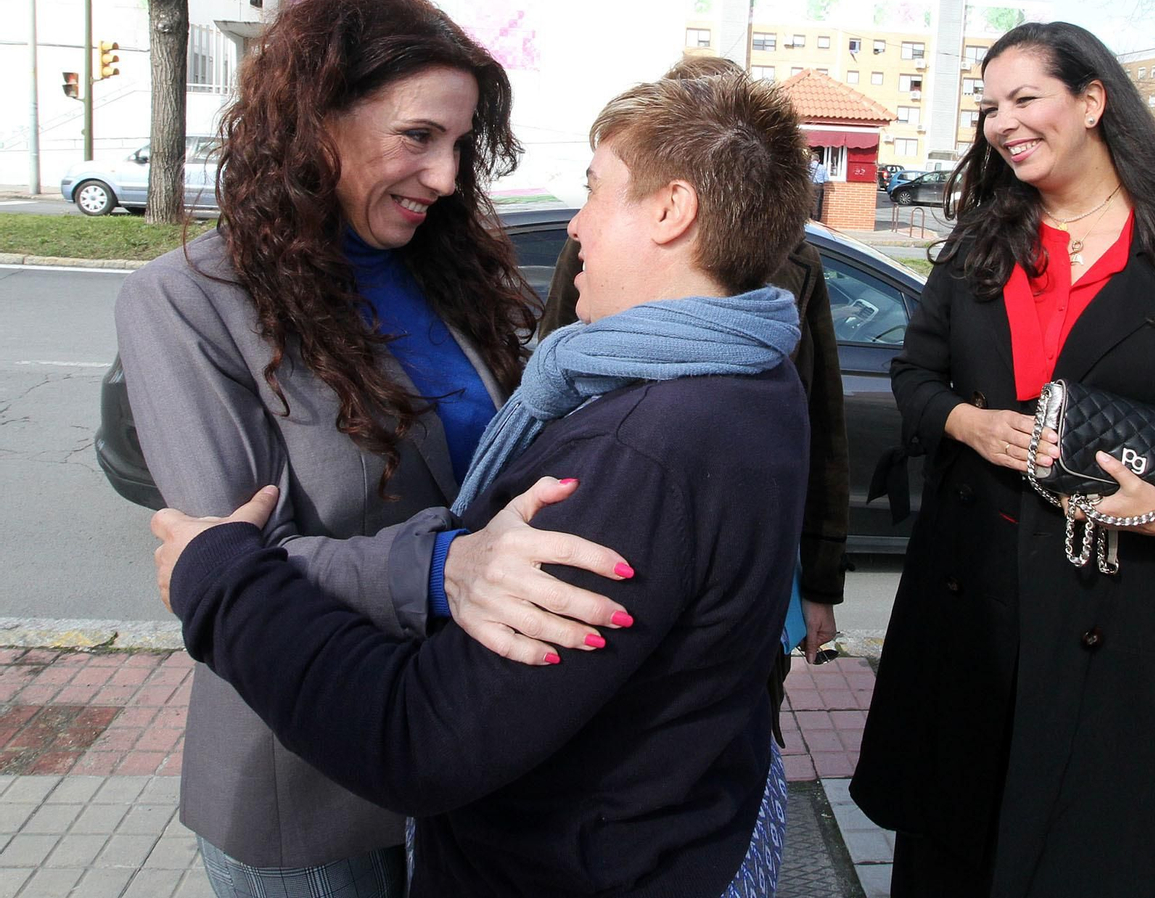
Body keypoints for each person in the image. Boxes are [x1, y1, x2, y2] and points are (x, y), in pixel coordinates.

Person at [151, 69, 817, 897]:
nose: (575, 223)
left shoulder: (641, 448)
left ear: (670, 210)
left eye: (594, 190)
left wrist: (221, 583)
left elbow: (421, 740)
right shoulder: (757, 370)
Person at [116, 0, 634, 897]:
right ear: (315, 120)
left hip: (463, 740)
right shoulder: (185, 301)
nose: (446, 177)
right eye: (418, 136)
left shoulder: (444, 270)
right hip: (306, 778)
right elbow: (226, 562)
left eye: (460, 144)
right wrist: (443, 567)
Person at [849, 20, 1155, 898]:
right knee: (956, 845)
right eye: (990, 106)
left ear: (1093, 101)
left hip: (1117, 604)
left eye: (1025, 98)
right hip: (971, 593)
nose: (1002, 123)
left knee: (1090, 851)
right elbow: (915, 374)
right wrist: (966, 423)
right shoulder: (982, 242)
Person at [540, 56, 850, 672]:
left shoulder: (792, 263)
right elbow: (558, 365)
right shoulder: (598, 248)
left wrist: (819, 581)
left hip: (736, 557)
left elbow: (820, 415)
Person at [810, 153, 829, 219]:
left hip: (809, 186)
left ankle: (808, 218)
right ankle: (815, 218)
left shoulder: (808, 166)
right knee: (817, 203)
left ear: (812, 159)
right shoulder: (822, 167)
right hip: (819, 186)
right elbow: (826, 179)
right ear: (819, 160)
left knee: (808, 201)